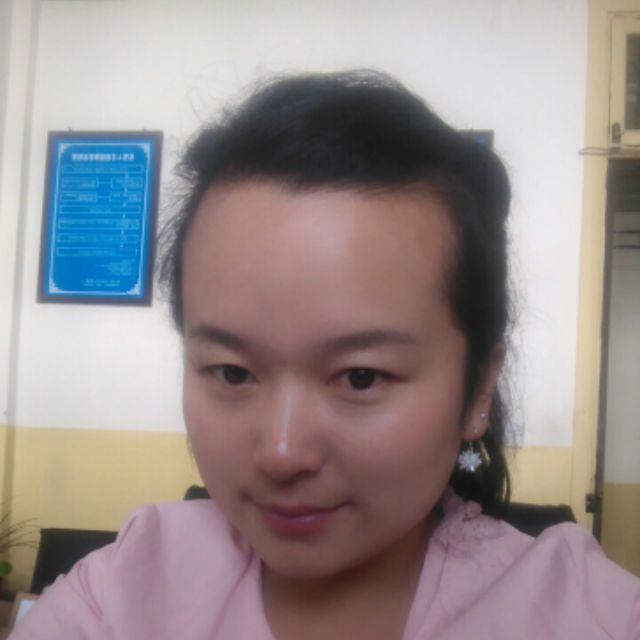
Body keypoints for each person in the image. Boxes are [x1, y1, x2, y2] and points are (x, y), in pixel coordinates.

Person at [10, 71, 640, 639]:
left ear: (477, 388)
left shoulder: (589, 615)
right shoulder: (119, 596)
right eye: (232, 372)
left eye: (361, 377)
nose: (283, 452)